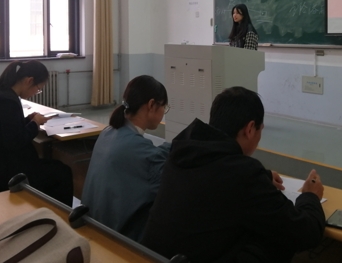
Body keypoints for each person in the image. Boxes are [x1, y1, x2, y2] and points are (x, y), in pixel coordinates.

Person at [142, 87, 325, 263]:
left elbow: (213, 178)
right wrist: (310, 196)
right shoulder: (244, 174)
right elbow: (306, 234)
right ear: (250, 129)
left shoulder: (182, 152)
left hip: (151, 256)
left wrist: (263, 177)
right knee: (274, 240)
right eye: (260, 130)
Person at [81, 75, 171, 241]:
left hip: (94, 224)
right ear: (151, 105)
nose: (163, 113)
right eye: (164, 107)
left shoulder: (108, 132)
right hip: (116, 238)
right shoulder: (140, 150)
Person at [0, 60, 73, 206]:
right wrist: (35, 124)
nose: (36, 93)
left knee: (54, 167)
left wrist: (27, 120)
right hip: (4, 173)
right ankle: (59, 215)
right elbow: (15, 142)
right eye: (38, 89)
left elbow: (7, 128)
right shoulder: (8, 102)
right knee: (62, 172)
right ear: (29, 81)